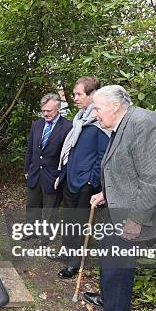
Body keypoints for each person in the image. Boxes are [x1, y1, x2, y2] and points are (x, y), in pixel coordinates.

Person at [85, 85, 156, 311]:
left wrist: (136, 219)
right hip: (119, 206)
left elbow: (154, 179)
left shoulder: (143, 124)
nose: (95, 114)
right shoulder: (125, 123)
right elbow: (127, 169)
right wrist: (107, 193)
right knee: (109, 257)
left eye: (98, 108)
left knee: (118, 263)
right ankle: (108, 297)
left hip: (134, 212)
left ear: (115, 106)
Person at [55, 76, 110, 278]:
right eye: (74, 94)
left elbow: (103, 156)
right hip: (70, 180)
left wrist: (91, 181)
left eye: (79, 94)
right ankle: (66, 252)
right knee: (68, 219)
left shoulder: (100, 123)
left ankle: (74, 263)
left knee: (79, 224)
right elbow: (71, 151)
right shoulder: (79, 120)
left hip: (85, 184)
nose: (74, 97)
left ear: (92, 95)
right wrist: (62, 174)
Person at [24, 94, 73, 238]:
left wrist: (61, 175)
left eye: (49, 111)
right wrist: (27, 169)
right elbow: (30, 149)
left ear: (58, 109)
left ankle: (44, 237)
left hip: (53, 176)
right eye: (43, 111)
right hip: (34, 173)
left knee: (49, 210)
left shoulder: (68, 127)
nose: (45, 114)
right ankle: (30, 231)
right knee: (32, 205)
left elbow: (67, 155)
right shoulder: (36, 125)